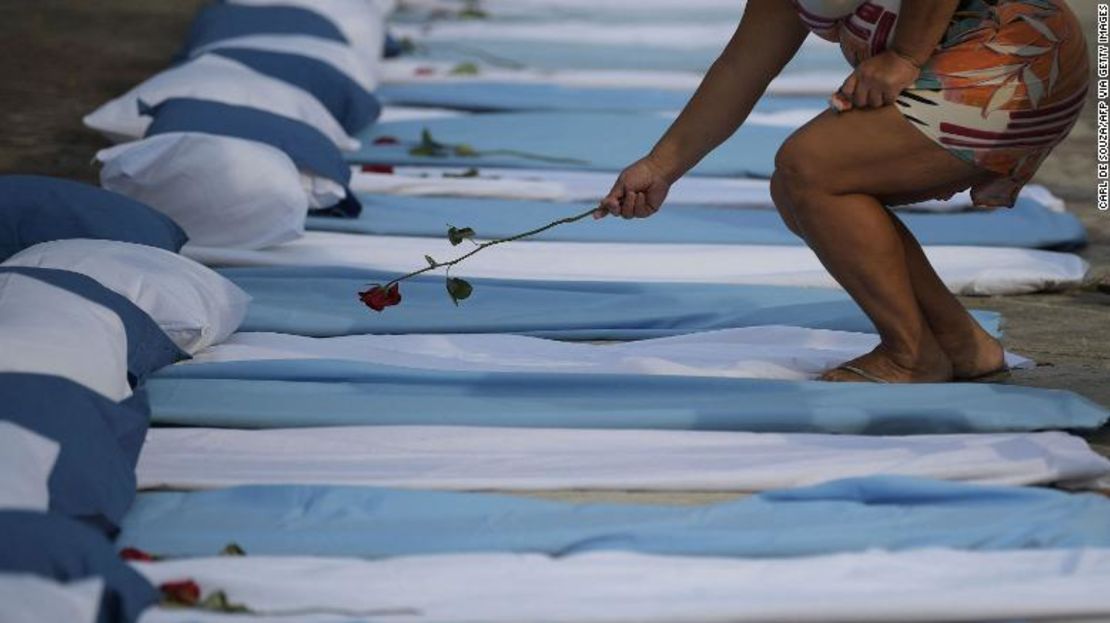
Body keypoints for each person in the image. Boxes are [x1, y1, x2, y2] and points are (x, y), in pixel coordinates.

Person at [596, 0, 1089, 383]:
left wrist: (904, 56)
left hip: (1018, 57)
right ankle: (961, 344)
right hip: (978, 59)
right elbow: (741, 67)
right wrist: (660, 166)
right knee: (797, 187)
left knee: (812, 166)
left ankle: (912, 355)